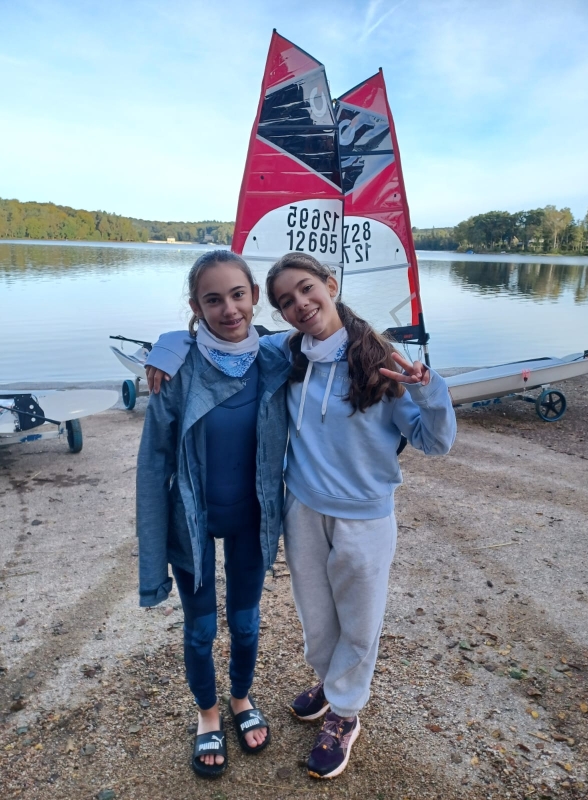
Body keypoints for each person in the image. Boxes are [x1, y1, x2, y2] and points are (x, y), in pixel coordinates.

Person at [145, 251, 456, 780]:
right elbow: (222, 340)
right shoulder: (288, 354)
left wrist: (428, 388)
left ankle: (344, 714)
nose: (300, 304)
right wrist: (169, 343)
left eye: (307, 289)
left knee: (356, 623)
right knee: (316, 619)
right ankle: (309, 690)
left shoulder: (380, 361)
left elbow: (436, 440)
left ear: (330, 284)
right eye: (287, 300)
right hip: (302, 511)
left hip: (360, 516)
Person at [136, 250, 290, 779]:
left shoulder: (276, 357)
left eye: (238, 294)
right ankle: (207, 713)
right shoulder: (174, 370)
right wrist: (170, 341)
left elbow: (330, 333)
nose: (229, 309)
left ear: (254, 295)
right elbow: (152, 464)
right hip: (193, 520)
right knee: (200, 630)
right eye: (213, 299)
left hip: (251, 518)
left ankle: (241, 698)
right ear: (195, 307)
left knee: (246, 623)